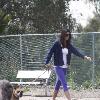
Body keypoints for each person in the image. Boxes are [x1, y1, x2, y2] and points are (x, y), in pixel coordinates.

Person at [45, 29, 91, 100]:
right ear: (63, 35)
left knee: (58, 84)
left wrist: (84, 57)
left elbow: (76, 51)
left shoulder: (68, 45)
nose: (68, 36)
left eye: (69, 35)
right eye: (66, 35)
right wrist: (47, 62)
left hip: (64, 67)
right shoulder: (57, 44)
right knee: (64, 83)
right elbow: (50, 52)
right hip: (58, 67)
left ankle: (53, 99)